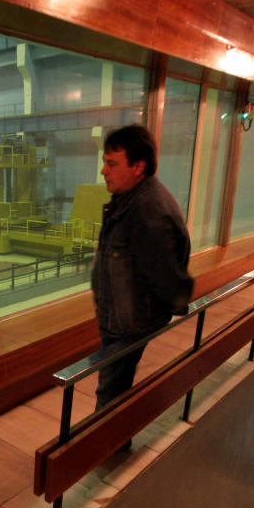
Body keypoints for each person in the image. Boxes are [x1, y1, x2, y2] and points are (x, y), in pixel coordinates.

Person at [92, 124, 194, 417]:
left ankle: (108, 450)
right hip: (124, 316)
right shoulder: (135, 199)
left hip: (129, 323)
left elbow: (167, 273)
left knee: (109, 393)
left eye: (111, 164)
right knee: (115, 387)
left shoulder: (147, 210)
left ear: (138, 167)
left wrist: (177, 302)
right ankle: (114, 444)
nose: (104, 171)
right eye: (104, 163)